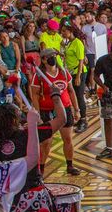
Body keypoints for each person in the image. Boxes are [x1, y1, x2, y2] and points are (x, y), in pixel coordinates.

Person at [30, 48, 81, 176]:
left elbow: (71, 90)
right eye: (49, 56)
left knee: (67, 138)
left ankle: (70, 165)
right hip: (47, 111)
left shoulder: (63, 72)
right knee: (46, 142)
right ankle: (40, 169)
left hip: (65, 108)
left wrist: (77, 109)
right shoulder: (39, 76)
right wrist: (37, 114)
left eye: (54, 55)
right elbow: (35, 96)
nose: (53, 58)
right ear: (43, 60)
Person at [59, 22, 89, 133]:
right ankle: (79, 117)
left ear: (70, 31)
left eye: (64, 31)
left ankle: (84, 120)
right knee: (74, 96)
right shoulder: (69, 43)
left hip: (78, 72)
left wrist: (78, 76)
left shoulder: (78, 42)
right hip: (71, 72)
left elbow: (81, 60)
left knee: (79, 96)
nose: (62, 33)